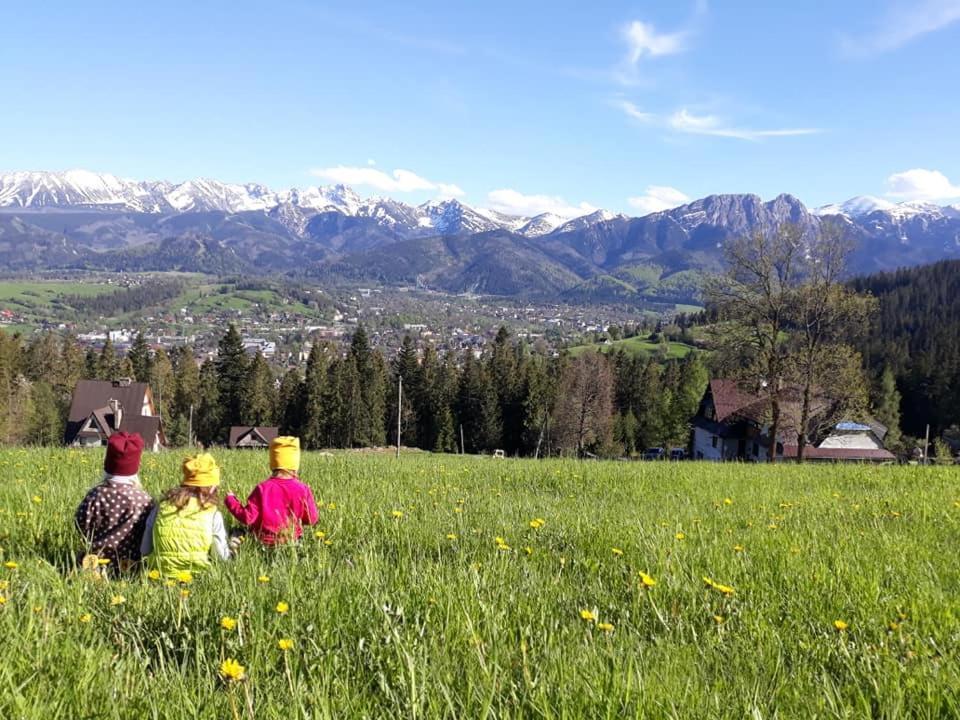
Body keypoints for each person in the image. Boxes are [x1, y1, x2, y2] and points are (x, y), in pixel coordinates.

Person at [75, 432, 155, 573]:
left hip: (95, 562)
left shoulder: (95, 495)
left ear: (108, 464)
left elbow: (80, 521)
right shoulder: (143, 500)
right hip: (130, 564)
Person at [140, 453, 231, 576]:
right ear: (211, 488)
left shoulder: (162, 506)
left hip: (159, 573)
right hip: (199, 576)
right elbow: (221, 557)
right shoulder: (212, 513)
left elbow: (145, 550)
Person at [225, 436, 318, 545]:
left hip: (262, 542)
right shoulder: (303, 489)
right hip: (291, 543)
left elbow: (248, 518)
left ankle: (232, 549)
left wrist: (231, 500)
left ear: (273, 463)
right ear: (295, 465)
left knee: (237, 532)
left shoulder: (262, 488)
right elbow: (312, 519)